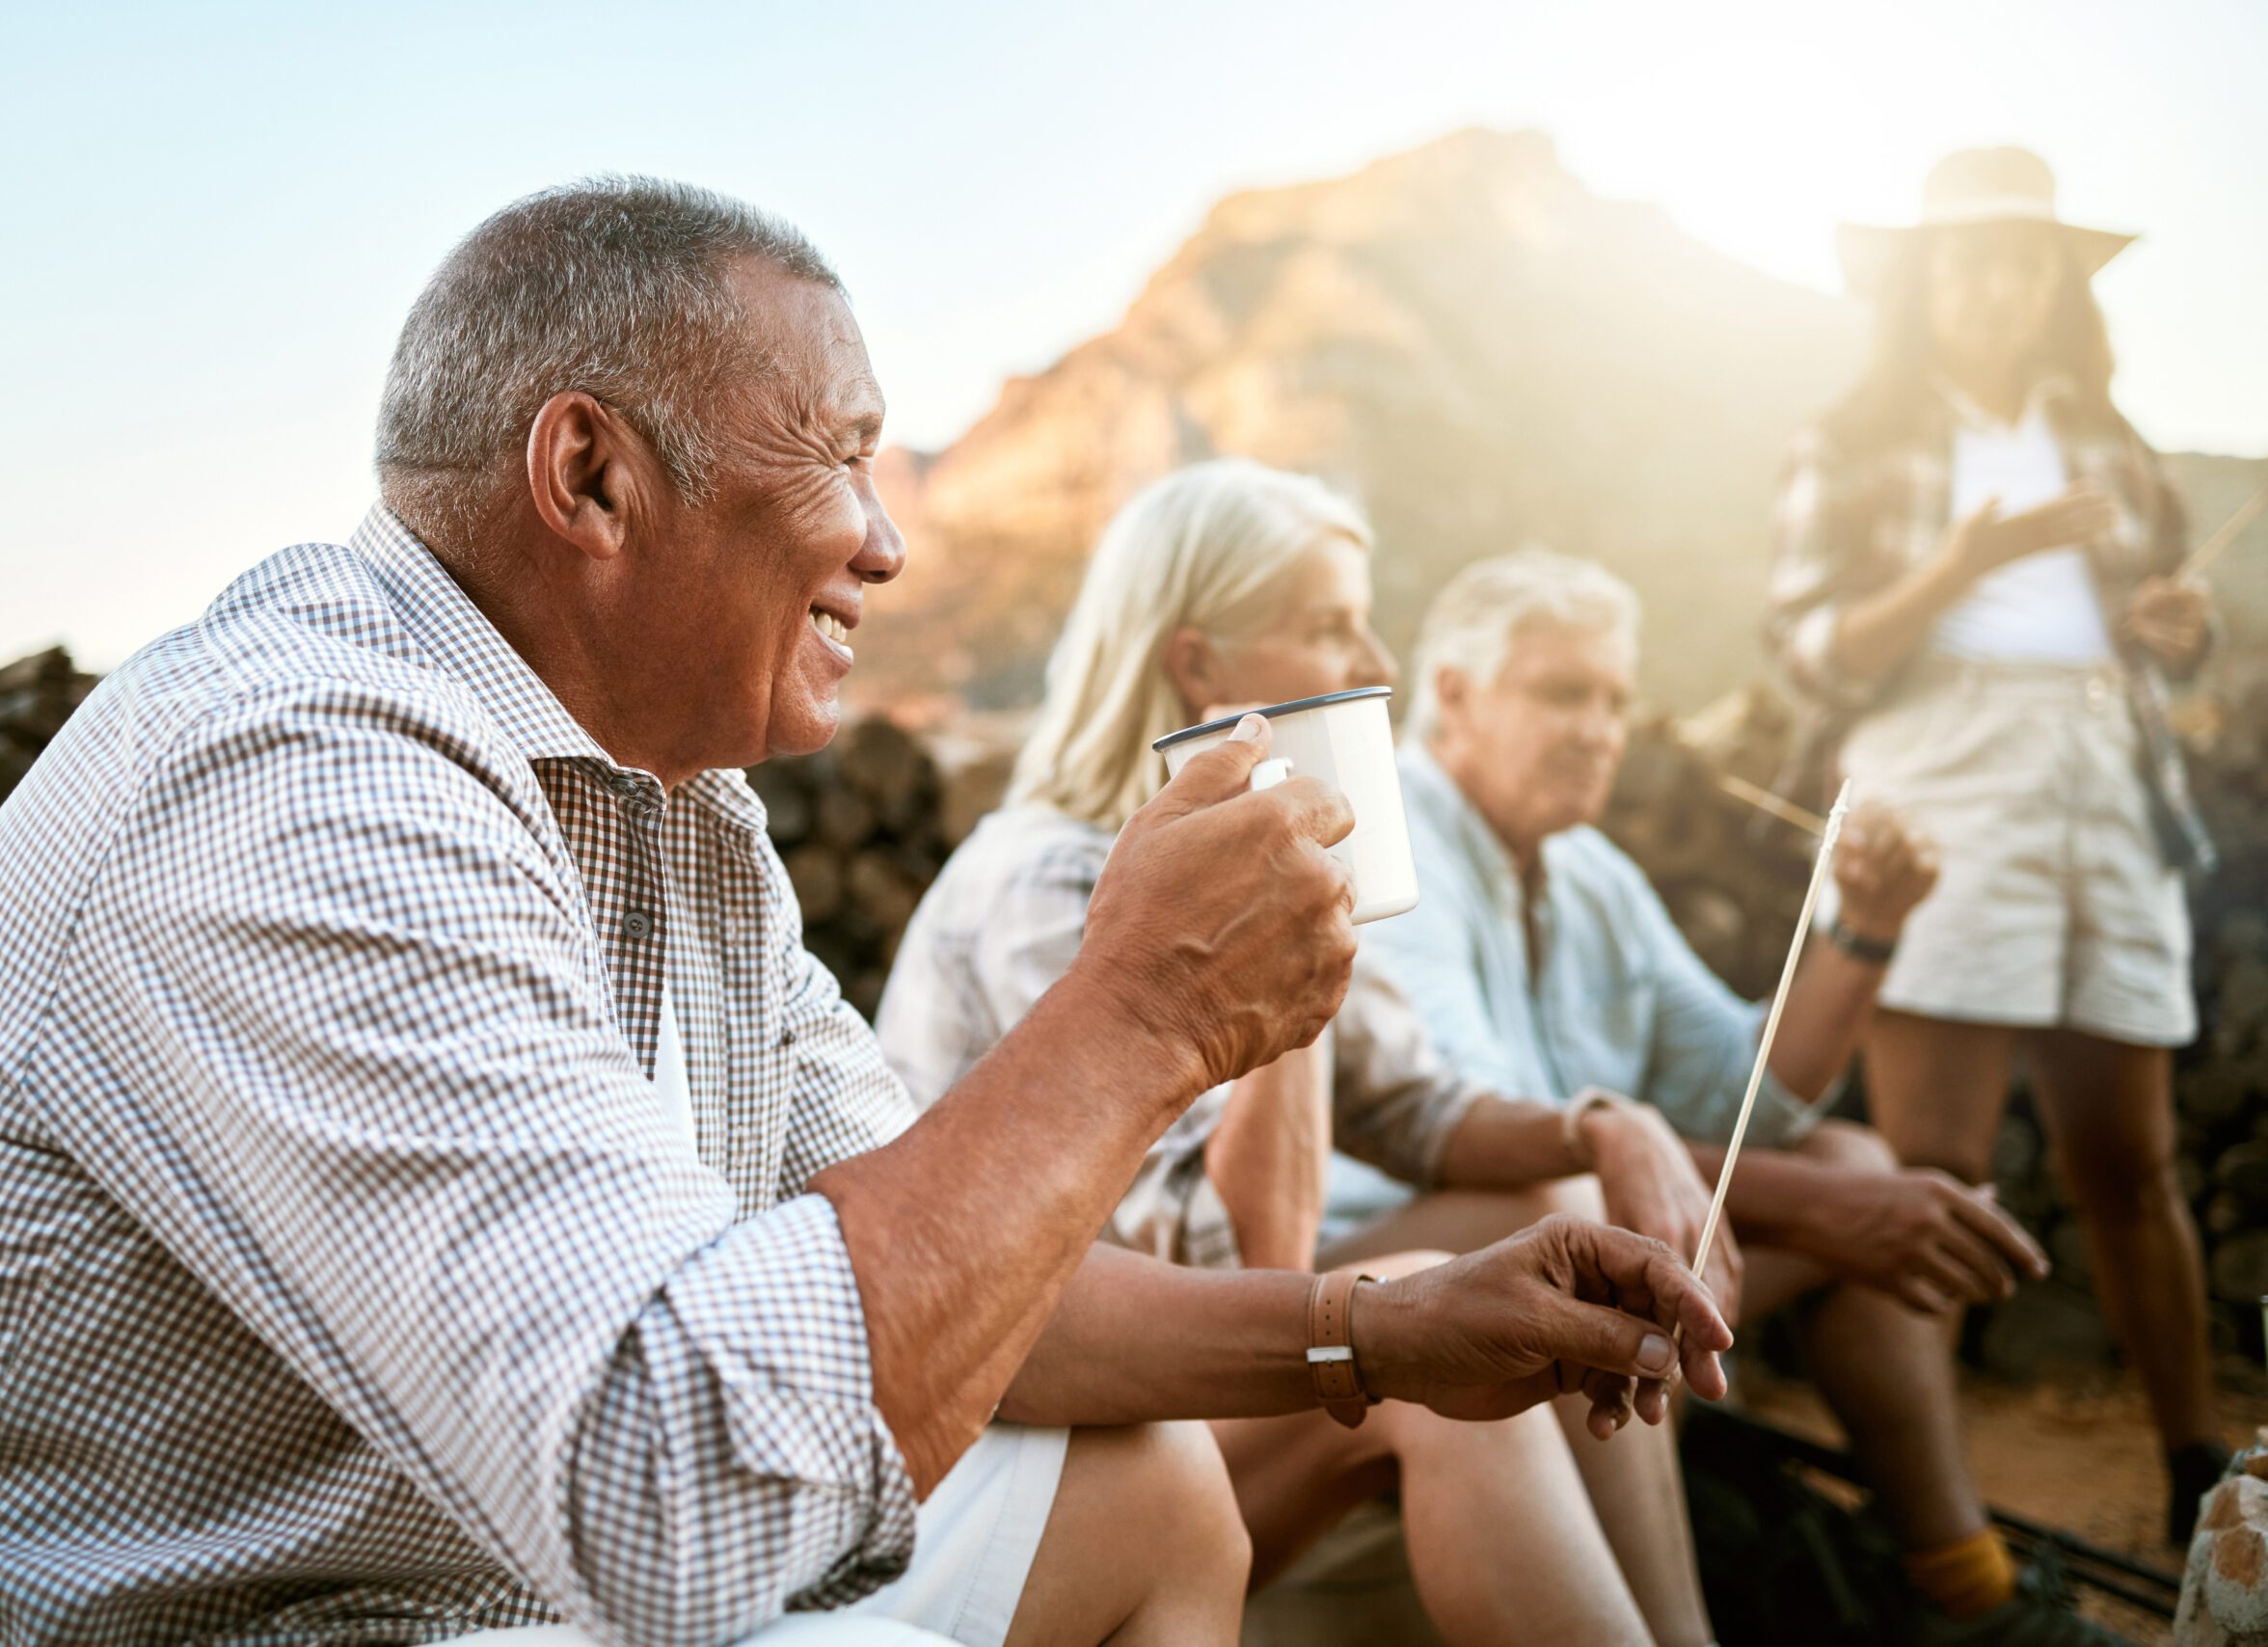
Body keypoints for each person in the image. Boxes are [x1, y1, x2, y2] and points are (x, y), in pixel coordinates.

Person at [0, 179, 1734, 1647]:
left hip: (461, 1576)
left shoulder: (674, 810)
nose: (890, 537)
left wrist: (1377, 1332)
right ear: (592, 472)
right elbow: (667, 1489)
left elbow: (996, 1291)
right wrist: (1140, 1010)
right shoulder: (303, 774)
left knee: (1140, 1490)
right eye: (840, 454)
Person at [878, 459, 1746, 1647]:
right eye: (1330, 626)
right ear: (1198, 666)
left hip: (1183, 1372)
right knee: (1431, 1356)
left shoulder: (1258, 868)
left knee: (1564, 1201)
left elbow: (1423, 1110)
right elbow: (1252, 1260)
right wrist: (1279, 977)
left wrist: (1609, 1122)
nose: (1374, 665)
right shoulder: (1052, 881)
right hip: (1049, 1428)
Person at [1366, 546, 2124, 1644]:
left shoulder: (1587, 875)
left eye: (1615, 700)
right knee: (1597, 1236)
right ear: (1452, 695)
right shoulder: (1398, 853)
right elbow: (1498, 1136)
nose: (1598, 729)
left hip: (1566, 1210)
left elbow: (1745, 1095)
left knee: (1850, 1164)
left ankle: (1961, 1587)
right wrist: (1818, 1212)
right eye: (1561, 692)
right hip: (1402, 1263)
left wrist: (1863, 928)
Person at [1767, 145, 2226, 1544]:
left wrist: (2171, 632)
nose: (1994, 285)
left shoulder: (2111, 440)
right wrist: (1963, 564)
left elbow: (2164, 614)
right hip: (1942, 774)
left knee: (2130, 1161)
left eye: (2020, 261)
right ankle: (1939, 1515)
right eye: (1967, 260)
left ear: (2052, 284)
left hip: (2101, 773)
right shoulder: (1851, 442)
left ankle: (2200, 1470)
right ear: (1922, 282)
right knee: (1937, 1175)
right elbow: (1808, 655)